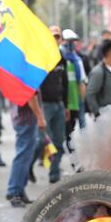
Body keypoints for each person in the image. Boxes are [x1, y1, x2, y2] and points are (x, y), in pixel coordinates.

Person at [37, 26, 69, 184]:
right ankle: (28, 166)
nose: (55, 40)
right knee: (40, 141)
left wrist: (67, 105)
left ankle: (54, 174)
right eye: (53, 36)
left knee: (58, 142)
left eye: (58, 37)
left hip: (59, 105)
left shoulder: (62, 57)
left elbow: (65, 83)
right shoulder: (40, 56)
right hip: (45, 105)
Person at [6, 93, 46, 207]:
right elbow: (31, 96)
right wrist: (40, 117)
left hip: (23, 118)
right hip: (26, 118)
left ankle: (19, 190)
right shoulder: (27, 76)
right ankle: (14, 191)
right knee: (23, 156)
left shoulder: (19, 75)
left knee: (25, 156)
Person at [61, 29, 87, 152]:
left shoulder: (77, 60)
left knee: (71, 132)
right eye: (68, 41)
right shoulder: (58, 58)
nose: (70, 44)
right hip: (63, 102)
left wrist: (82, 102)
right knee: (64, 133)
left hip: (75, 101)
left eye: (73, 41)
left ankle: (73, 158)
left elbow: (81, 81)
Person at [86, 39, 111, 118]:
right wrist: (97, 114)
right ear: (110, 53)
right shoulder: (98, 72)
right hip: (104, 116)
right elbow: (90, 94)